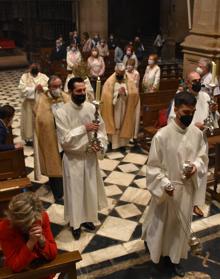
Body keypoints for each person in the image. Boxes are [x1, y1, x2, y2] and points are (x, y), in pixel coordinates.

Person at [142, 91, 208, 277]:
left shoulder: (196, 133)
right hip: (167, 190)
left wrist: (195, 166)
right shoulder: (162, 136)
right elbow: (153, 167)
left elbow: (202, 157)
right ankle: (158, 258)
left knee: (180, 228)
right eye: (185, 112)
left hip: (186, 189)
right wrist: (164, 184)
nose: (189, 115)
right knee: (161, 226)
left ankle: (175, 259)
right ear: (176, 109)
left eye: (192, 112)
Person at [54, 77, 108, 240]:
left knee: (89, 190)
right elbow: (64, 140)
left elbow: (102, 130)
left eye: (84, 90)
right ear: (70, 92)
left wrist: (101, 144)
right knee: (75, 192)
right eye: (79, 91)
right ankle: (75, 224)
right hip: (74, 160)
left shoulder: (92, 108)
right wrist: (84, 128)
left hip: (90, 157)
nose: (82, 93)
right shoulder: (61, 112)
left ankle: (88, 219)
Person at [168, 71, 219, 216]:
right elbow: (172, 120)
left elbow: (212, 119)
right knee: (185, 171)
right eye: (194, 81)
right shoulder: (181, 98)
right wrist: (193, 127)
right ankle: (182, 201)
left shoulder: (205, 96)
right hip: (184, 141)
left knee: (200, 172)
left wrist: (213, 112)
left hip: (201, 140)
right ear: (187, 83)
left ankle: (196, 203)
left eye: (199, 80)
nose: (197, 83)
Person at [0, 192, 57, 278]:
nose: (32, 225)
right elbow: (15, 266)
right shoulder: (5, 227)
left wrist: (42, 240)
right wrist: (31, 243)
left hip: (43, 271)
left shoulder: (41, 217)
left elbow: (53, 254)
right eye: (27, 223)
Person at [34, 76, 69, 203]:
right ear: (49, 87)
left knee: (65, 163)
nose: (57, 89)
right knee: (53, 164)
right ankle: (58, 194)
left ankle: (67, 188)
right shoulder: (43, 100)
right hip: (51, 137)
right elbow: (40, 118)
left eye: (60, 86)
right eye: (54, 87)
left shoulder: (65, 97)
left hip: (64, 137)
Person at [101, 63, 139, 151]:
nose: (120, 76)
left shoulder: (129, 80)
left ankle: (123, 143)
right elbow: (105, 96)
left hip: (125, 107)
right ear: (116, 71)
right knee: (115, 124)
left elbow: (134, 94)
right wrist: (117, 94)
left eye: (122, 74)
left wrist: (125, 93)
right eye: (118, 74)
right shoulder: (109, 81)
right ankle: (114, 143)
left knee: (122, 123)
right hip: (114, 108)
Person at [18, 63, 49, 145]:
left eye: (36, 66)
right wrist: (34, 89)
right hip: (29, 104)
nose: (34, 68)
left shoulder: (44, 76)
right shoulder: (25, 77)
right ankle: (29, 139)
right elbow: (22, 89)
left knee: (41, 121)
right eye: (32, 66)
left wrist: (43, 88)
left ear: (39, 68)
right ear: (29, 68)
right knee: (29, 122)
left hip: (41, 103)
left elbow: (49, 87)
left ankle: (42, 137)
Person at [126, 59, 140, 140]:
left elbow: (134, 84)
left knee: (134, 116)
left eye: (130, 65)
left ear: (133, 66)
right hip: (126, 96)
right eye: (127, 64)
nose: (128, 66)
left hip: (134, 95)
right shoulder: (125, 72)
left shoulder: (136, 73)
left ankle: (133, 135)